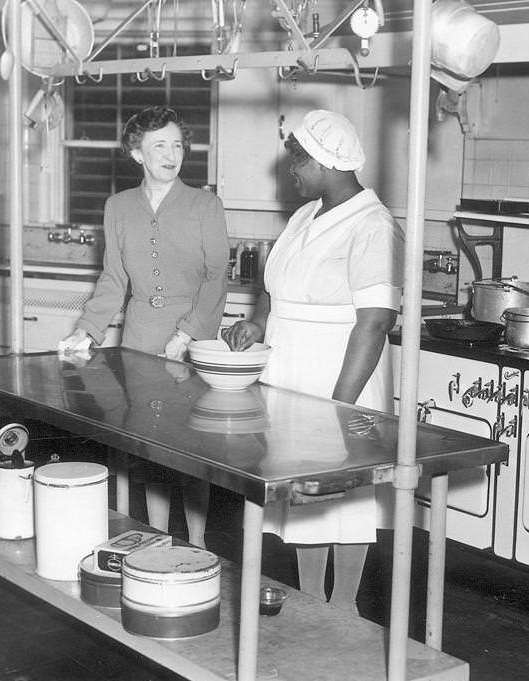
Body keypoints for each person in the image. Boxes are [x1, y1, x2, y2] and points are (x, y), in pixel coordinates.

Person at [222, 109, 404, 612]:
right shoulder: (305, 215)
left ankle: (343, 609)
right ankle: (310, 602)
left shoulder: (374, 225)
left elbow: (375, 322)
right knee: (302, 495)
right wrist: (258, 323)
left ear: (326, 162)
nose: (291, 171)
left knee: (345, 498)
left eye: (298, 161)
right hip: (292, 373)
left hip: (339, 378)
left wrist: (338, 409)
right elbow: (276, 289)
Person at [58, 105, 230, 548]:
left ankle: (198, 544)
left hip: (192, 337)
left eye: (177, 145)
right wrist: (87, 330)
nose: (171, 155)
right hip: (139, 335)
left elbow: (216, 277)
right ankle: (158, 539)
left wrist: (186, 334)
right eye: (159, 146)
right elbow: (114, 277)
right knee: (150, 442)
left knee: (191, 446)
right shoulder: (118, 207)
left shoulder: (205, 205)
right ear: (137, 153)